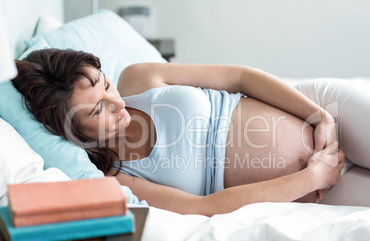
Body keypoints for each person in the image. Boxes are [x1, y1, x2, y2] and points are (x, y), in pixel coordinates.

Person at [13, 48, 346, 216]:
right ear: (70, 130)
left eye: (106, 86)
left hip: (327, 117)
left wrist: (321, 118)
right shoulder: (118, 177)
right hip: (315, 192)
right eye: (98, 109)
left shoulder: (138, 80)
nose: (117, 104)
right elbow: (205, 207)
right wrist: (312, 178)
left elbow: (241, 78)